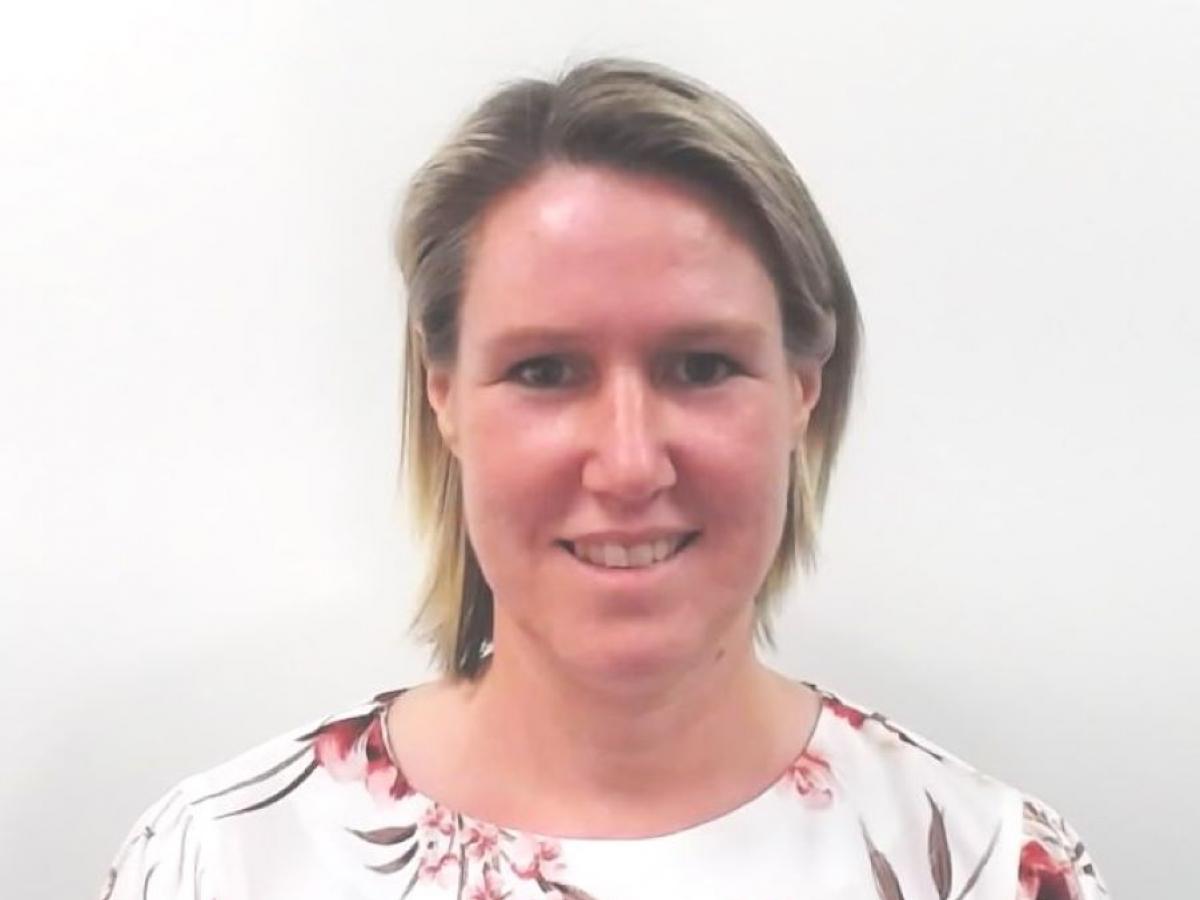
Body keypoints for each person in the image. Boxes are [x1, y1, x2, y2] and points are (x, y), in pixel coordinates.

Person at [101, 58, 1107, 900]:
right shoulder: (223, 862)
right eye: (545, 371)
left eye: (702, 366)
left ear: (805, 386)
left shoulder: (985, 865)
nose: (629, 463)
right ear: (442, 393)